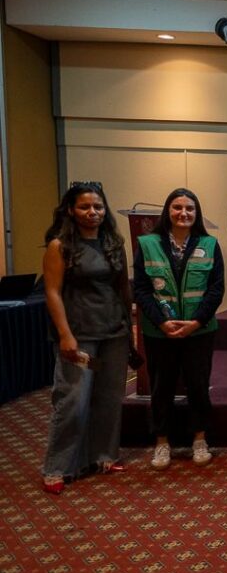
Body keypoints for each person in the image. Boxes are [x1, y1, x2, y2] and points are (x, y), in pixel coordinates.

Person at [41, 181, 131, 494]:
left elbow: (123, 287)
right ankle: (58, 467)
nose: (92, 212)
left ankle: (104, 456)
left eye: (98, 206)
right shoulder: (60, 246)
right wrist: (65, 335)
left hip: (113, 332)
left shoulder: (113, 242)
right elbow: (52, 293)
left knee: (108, 398)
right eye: (85, 206)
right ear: (71, 210)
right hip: (80, 336)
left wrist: (130, 329)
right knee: (73, 401)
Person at [134, 188, 225, 470]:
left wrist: (196, 321)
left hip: (199, 330)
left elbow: (216, 289)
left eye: (189, 208)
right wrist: (162, 322)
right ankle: (162, 442)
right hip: (159, 331)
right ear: (167, 211)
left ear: (197, 213)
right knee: (161, 387)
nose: (183, 213)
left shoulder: (210, 244)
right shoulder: (147, 244)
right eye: (177, 207)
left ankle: (199, 438)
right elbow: (141, 289)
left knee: (198, 385)